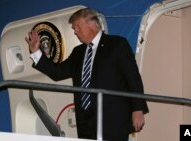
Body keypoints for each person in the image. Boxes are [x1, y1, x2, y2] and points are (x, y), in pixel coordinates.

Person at [25, 7, 149, 141]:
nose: (75, 32)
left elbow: (133, 77)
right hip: (85, 122)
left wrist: (138, 109)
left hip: (112, 120)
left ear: (91, 24)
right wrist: (36, 52)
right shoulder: (78, 52)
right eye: (73, 29)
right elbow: (58, 73)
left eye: (77, 27)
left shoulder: (116, 44)